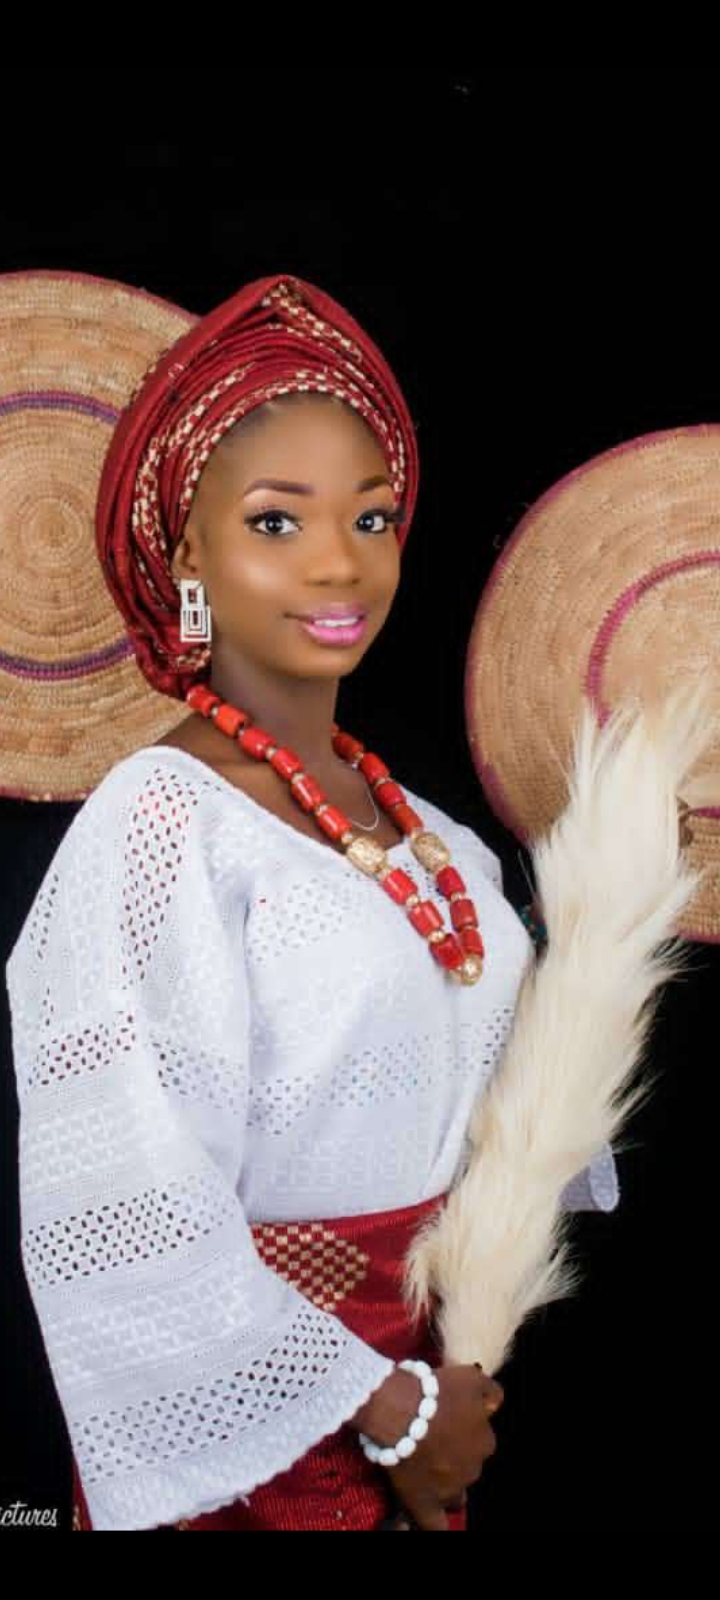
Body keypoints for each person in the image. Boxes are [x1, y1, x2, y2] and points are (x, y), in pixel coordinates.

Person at [6, 273, 596, 1533]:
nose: (340, 562)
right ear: (186, 554)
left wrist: (446, 1385)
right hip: (265, 1438)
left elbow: (518, 1112)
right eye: (276, 521)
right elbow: (125, 1203)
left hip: (432, 1390)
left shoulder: (434, 838)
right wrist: (384, 1407)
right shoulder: (160, 824)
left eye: (372, 516)